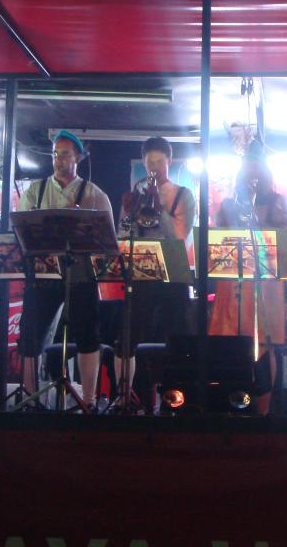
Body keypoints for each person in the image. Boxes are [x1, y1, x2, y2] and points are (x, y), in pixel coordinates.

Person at [16, 130, 114, 411]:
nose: (58, 160)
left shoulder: (95, 195)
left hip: (81, 274)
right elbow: (21, 230)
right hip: (43, 274)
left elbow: (107, 242)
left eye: (65, 154)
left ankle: (89, 400)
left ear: (78, 158)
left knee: (87, 334)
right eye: (55, 154)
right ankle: (30, 398)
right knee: (30, 334)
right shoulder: (35, 190)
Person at [208, 144, 287, 413]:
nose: (252, 175)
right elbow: (218, 242)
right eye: (248, 170)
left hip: (265, 285)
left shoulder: (278, 202)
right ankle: (234, 402)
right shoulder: (228, 204)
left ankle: (264, 410)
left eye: (257, 169)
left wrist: (255, 211)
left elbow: (282, 240)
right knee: (233, 342)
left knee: (265, 345)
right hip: (233, 284)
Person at [114, 136, 196, 400]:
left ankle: (177, 395)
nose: (154, 167)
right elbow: (122, 235)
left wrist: (158, 209)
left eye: (159, 161)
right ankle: (134, 396)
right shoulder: (135, 194)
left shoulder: (184, 195)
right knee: (132, 335)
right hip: (141, 275)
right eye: (150, 161)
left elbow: (180, 239)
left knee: (176, 336)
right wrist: (129, 213)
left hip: (173, 276)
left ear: (169, 161)